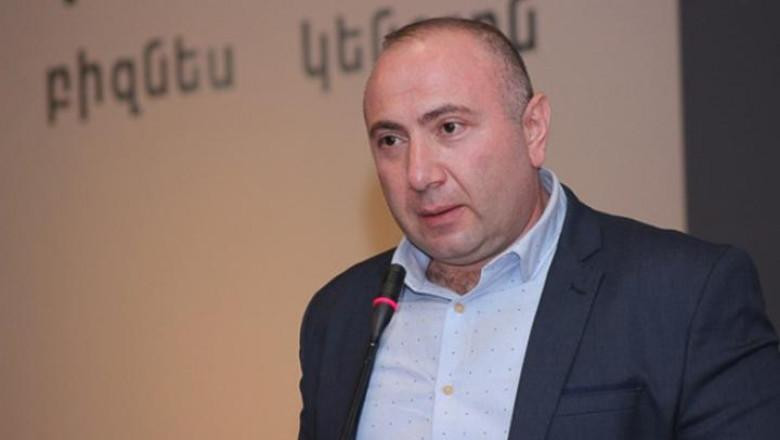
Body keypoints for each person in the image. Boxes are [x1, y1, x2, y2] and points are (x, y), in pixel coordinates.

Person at [298, 17, 780, 440]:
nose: (419, 174)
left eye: (449, 128)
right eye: (390, 139)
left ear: (533, 128)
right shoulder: (339, 315)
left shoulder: (686, 295)